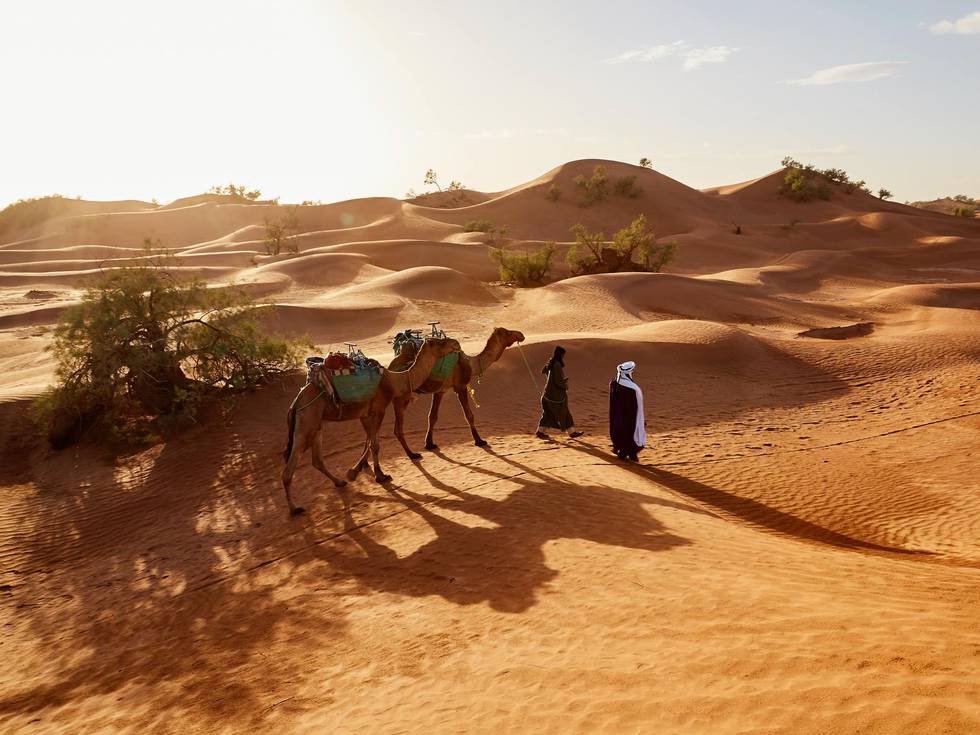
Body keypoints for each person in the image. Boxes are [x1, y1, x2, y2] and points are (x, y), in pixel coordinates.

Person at [535, 346, 583, 439]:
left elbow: (544, 371)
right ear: (560, 354)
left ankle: (540, 432)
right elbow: (558, 380)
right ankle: (572, 432)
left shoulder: (551, 362)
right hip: (555, 397)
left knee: (548, 413)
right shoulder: (556, 364)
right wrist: (564, 384)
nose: (563, 356)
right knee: (564, 412)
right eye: (563, 355)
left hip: (547, 395)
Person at [609, 361, 646, 461]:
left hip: (617, 416)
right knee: (632, 434)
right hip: (629, 417)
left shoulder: (614, 383)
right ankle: (627, 453)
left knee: (621, 433)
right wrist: (638, 417)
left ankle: (624, 452)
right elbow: (633, 404)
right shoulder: (631, 388)